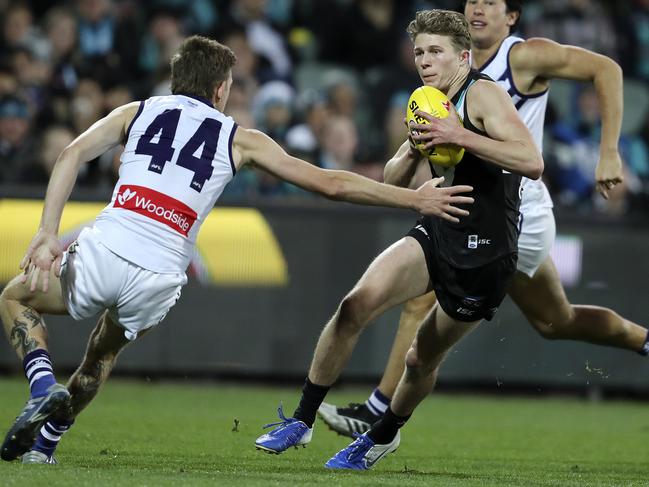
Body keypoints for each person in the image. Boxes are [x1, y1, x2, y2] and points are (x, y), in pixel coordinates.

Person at [0, 35, 474, 465]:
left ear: (175, 79)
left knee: (14, 298)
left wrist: (47, 231)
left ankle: (42, 386)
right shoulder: (240, 138)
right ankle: (45, 446)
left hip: (110, 244)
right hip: (162, 275)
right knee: (99, 357)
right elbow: (330, 183)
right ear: (222, 90)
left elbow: (70, 155)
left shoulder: (138, 110)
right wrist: (414, 198)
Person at [318, 0, 649, 441]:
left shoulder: (523, 57)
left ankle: (380, 411)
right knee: (557, 321)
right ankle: (643, 339)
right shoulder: (446, 69)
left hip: (521, 210)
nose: (478, 9)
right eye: (473, 1)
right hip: (474, 206)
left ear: (511, 16)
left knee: (422, 298)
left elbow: (607, 68)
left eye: (491, 3)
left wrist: (610, 150)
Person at [255, 9, 544, 466]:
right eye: (418, 52)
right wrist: (413, 145)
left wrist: (459, 135)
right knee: (355, 305)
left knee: (419, 360)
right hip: (436, 226)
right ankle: (301, 420)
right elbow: (395, 176)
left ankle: (383, 435)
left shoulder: (484, 95)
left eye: (435, 52)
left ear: (463, 56)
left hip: (486, 250)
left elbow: (531, 160)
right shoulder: (426, 100)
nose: (425, 61)